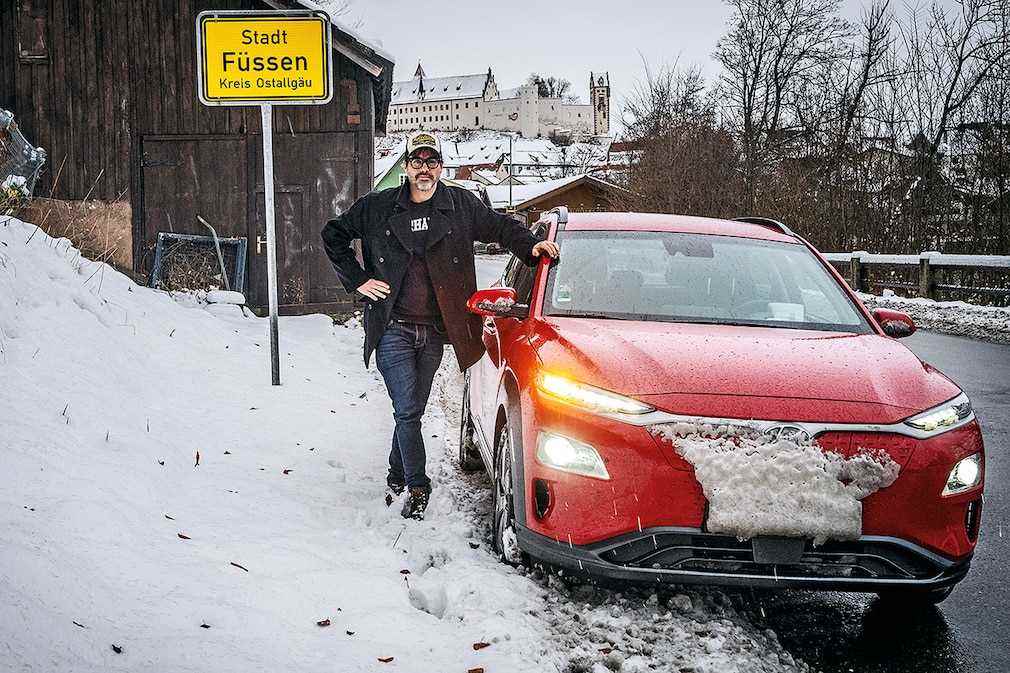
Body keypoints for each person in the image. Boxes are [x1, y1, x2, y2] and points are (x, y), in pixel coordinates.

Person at [320, 131, 560, 520]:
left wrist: (530, 246)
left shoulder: (459, 205)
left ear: (441, 166)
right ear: (407, 166)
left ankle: (396, 475)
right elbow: (334, 234)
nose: (424, 169)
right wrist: (359, 280)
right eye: (417, 161)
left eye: (432, 161)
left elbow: (500, 227)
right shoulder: (379, 207)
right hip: (392, 327)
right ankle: (417, 486)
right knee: (407, 409)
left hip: (434, 331)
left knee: (411, 407)